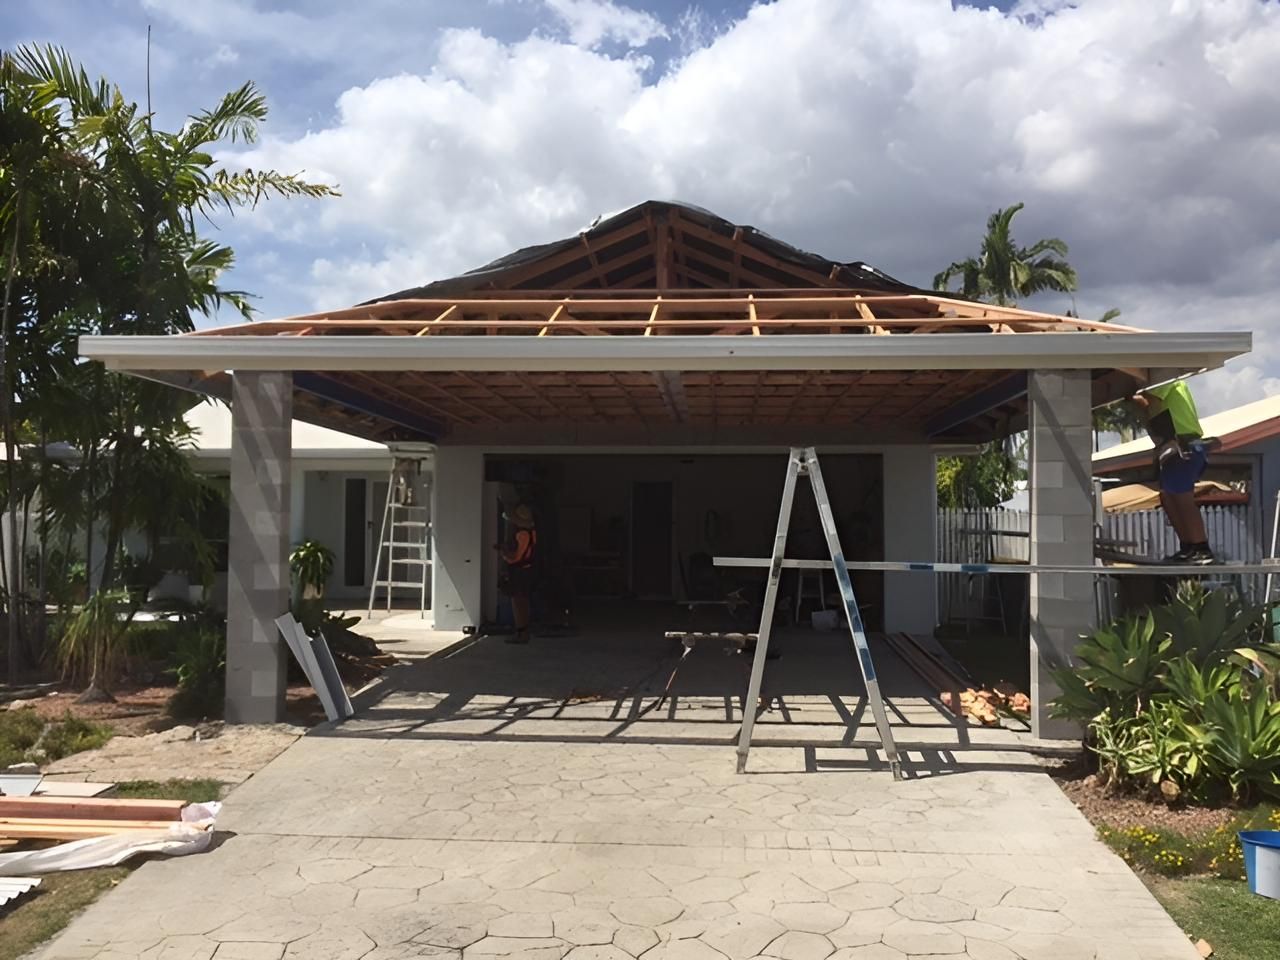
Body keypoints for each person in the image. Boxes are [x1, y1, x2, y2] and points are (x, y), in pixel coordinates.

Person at [1131, 381, 1214, 565]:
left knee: (1181, 497)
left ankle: (1201, 547)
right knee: (1168, 496)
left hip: (1182, 444)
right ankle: (1189, 546)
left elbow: (1152, 401)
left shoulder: (1166, 379)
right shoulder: (1175, 382)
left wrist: (1131, 397)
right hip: (1180, 444)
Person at [497, 503, 537, 643]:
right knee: (524, 601)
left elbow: (515, 557)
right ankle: (524, 631)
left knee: (517, 602)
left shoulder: (521, 535)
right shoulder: (533, 533)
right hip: (528, 569)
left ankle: (521, 633)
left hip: (518, 571)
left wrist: (504, 553)